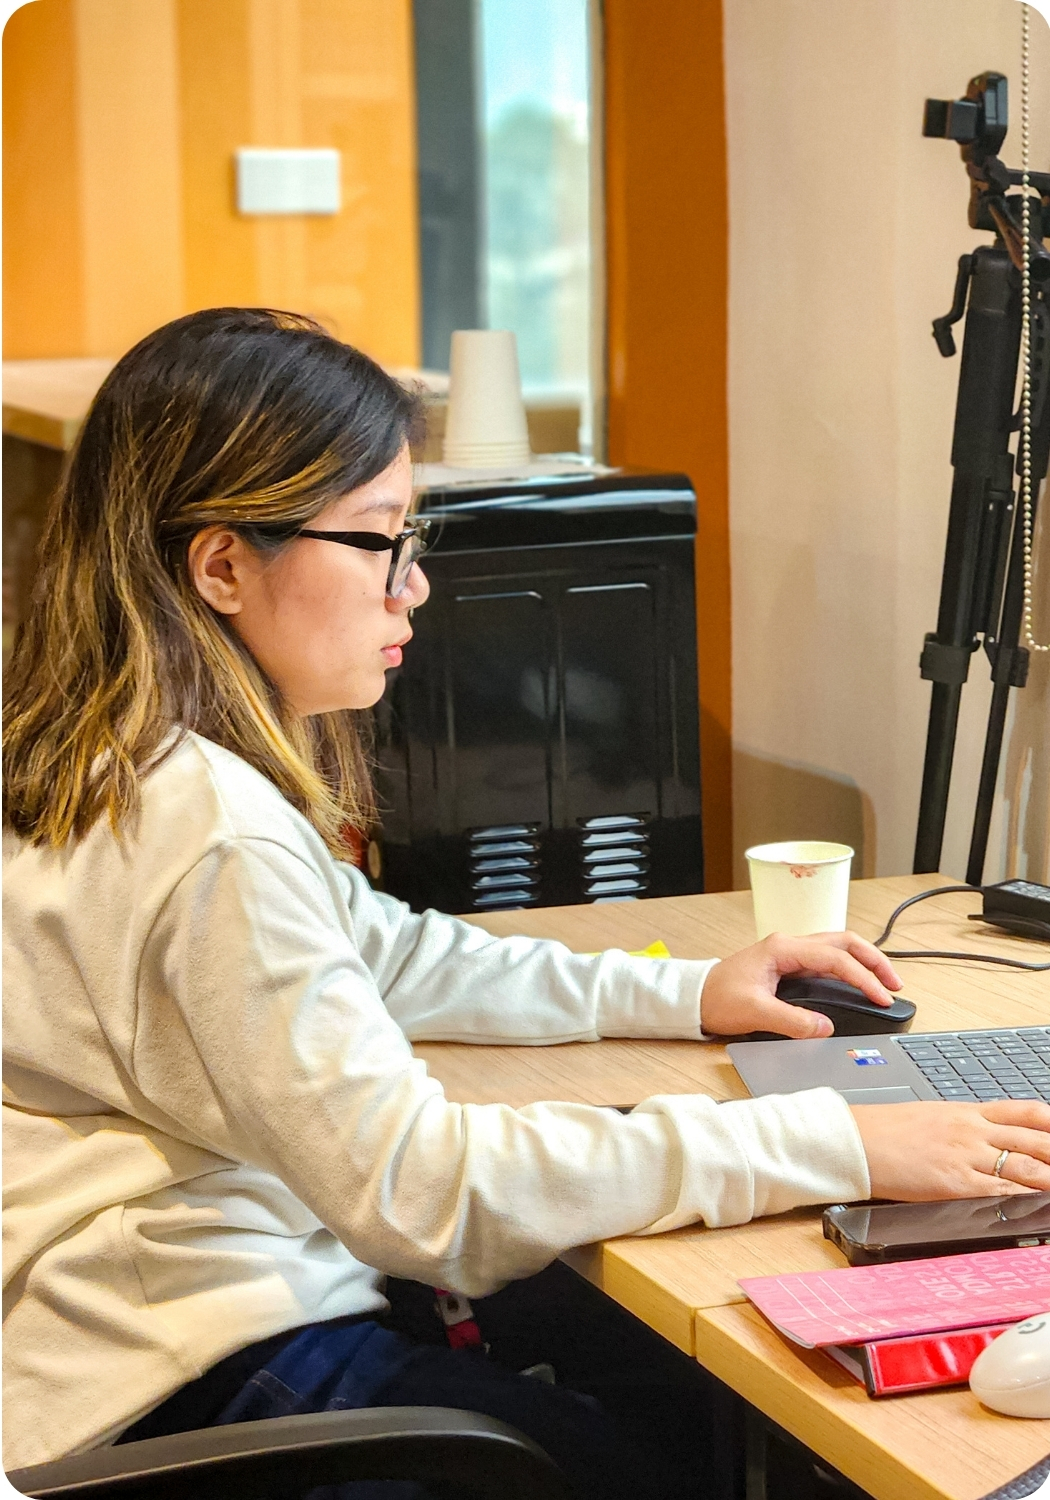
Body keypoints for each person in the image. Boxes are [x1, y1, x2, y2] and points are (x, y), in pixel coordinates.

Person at [5, 309, 1050, 1496]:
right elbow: (426, 1188)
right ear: (223, 564)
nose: (417, 586)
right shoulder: (212, 839)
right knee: (689, 1446)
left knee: (648, 1370)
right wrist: (831, 1142)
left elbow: (385, 957)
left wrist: (688, 991)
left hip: (116, 1337)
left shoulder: (113, 756)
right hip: (196, 1375)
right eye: (380, 541)